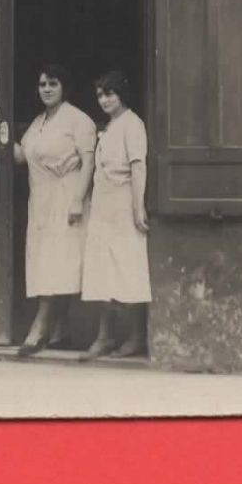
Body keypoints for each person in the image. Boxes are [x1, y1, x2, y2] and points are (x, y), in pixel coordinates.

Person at [11, 63, 96, 355]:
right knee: (44, 261)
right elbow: (23, 157)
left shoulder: (78, 120)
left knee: (57, 262)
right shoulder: (38, 122)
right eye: (42, 84)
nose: (46, 89)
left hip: (66, 197)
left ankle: (39, 327)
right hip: (41, 198)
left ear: (65, 88)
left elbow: (89, 162)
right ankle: (61, 329)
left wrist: (77, 200)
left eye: (53, 84)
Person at [80, 69, 151, 359]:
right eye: (99, 95)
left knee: (128, 269)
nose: (104, 100)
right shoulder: (109, 127)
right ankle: (105, 336)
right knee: (102, 270)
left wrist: (138, 206)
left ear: (122, 94)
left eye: (109, 93)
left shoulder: (132, 124)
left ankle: (137, 337)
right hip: (103, 205)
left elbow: (138, 166)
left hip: (123, 204)